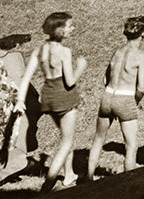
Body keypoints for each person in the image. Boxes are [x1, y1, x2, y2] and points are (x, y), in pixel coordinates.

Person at [15, 12, 87, 190]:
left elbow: (25, 79)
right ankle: (48, 185)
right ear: (61, 30)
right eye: (70, 26)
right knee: (67, 142)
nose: (73, 29)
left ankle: (69, 175)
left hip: (48, 97)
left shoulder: (39, 51)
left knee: (65, 136)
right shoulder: (64, 52)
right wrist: (81, 67)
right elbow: (70, 81)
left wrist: (19, 100)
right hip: (64, 97)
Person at [86, 16, 144, 180]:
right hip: (125, 98)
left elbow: (105, 79)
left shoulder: (118, 51)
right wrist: (135, 102)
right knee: (131, 146)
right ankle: (129, 184)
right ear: (143, 34)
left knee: (98, 139)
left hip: (108, 96)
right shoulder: (140, 55)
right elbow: (141, 87)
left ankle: (88, 178)